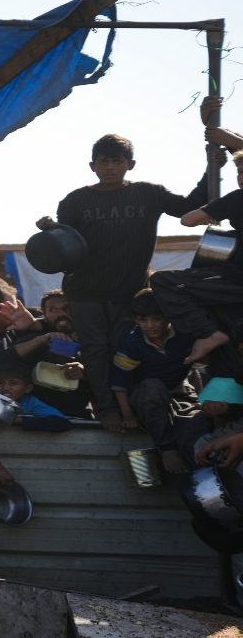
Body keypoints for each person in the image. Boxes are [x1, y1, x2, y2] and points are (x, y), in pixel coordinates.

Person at [37, 133, 211, 431]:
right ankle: (105, 409)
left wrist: (211, 168)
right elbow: (63, 246)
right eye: (103, 162)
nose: (109, 167)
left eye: (116, 161)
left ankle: (130, 408)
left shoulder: (149, 193)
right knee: (94, 350)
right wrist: (49, 230)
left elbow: (189, 208)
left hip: (128, 292)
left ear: (130, 164)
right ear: (92, 166)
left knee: (125, 350)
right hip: (84, 292)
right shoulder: (76, 200)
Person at [151, 149, 243, 368]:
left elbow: (188, 220)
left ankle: (208, 334)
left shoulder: (239, 197)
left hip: (237, 278)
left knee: (165, 282)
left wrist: (211, 210)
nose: (241, 177)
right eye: (239, 171)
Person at [110, 289, 208, 474]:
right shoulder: (131, 340)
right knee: (153, 386)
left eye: (156, 319)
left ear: (168, 317)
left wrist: (201, 402)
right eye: (142, 319)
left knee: (195, 427)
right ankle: (167, 449)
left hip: (178, 392)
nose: (149, 325)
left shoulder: (185, 334)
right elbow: (120, 382)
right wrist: (128, 415)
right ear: (135, 319)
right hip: (145, 396)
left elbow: (204, 365)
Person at [0, 290, 96, 419]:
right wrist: (40, 340)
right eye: (52, 310)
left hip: (79, 421)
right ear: (45, 316)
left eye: (67, 308)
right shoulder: (35, 340)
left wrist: (85, 372)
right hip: (35, 419)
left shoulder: (94, 341)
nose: (61, 314)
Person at [0, 362, 73, 486]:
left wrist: (16, 420)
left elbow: (62, 423)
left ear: (28, 388)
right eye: (0, 382)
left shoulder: (31, 402)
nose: (6, 388)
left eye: (13, 383)